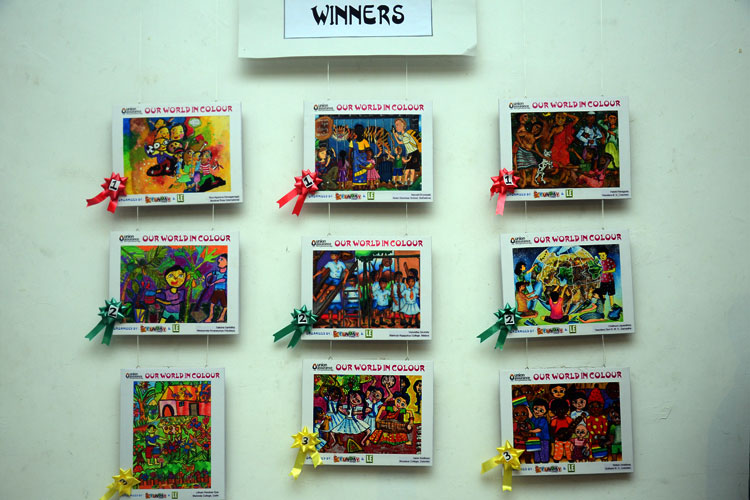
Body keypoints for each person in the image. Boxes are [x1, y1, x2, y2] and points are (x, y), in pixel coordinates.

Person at [204, 254, 228, 323]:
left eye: (221, 259)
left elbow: (223, 280)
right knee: (212, 304)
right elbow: (210, 274)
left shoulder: (227, 273)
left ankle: (222, 317)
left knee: (225, 305)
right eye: (219, 259)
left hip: (222, 291)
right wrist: (206, 279)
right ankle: (210, 317)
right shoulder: (217, 272)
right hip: (216, 291)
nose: (219, 260)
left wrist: (213, 283)